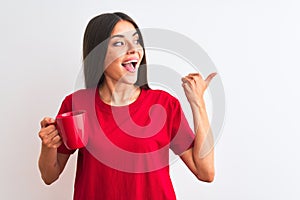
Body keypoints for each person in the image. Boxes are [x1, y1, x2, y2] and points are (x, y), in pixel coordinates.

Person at [38, 12, 216, 200]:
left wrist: (198, 103)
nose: (134, 50)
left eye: (136, 41)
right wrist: (48, 146)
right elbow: (49, 175)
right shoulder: (76, 105)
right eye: (119, 43)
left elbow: (205, 172)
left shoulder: (164, 104)